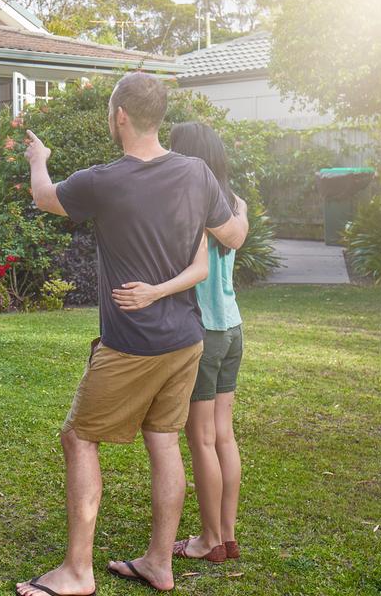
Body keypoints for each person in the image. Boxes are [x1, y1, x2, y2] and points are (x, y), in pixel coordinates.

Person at [16, 72, 249, 596]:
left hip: (132, 343)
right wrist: (233, 211)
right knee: (164, 441)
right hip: (187, 338)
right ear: (158, 115)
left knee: (78, 438)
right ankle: (159, 563)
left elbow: (45, 198)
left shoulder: (103, 180)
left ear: (120, 114)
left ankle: (78, 571)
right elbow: (232, 236)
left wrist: (39, 160)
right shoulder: (196, 173)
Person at [168, 122, 247, 564]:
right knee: (223, 436)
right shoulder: (235, 203)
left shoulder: (190, 204)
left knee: (200, 438)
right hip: (233, 327)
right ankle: (227, 536)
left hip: (203, 331)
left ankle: (209, 540)